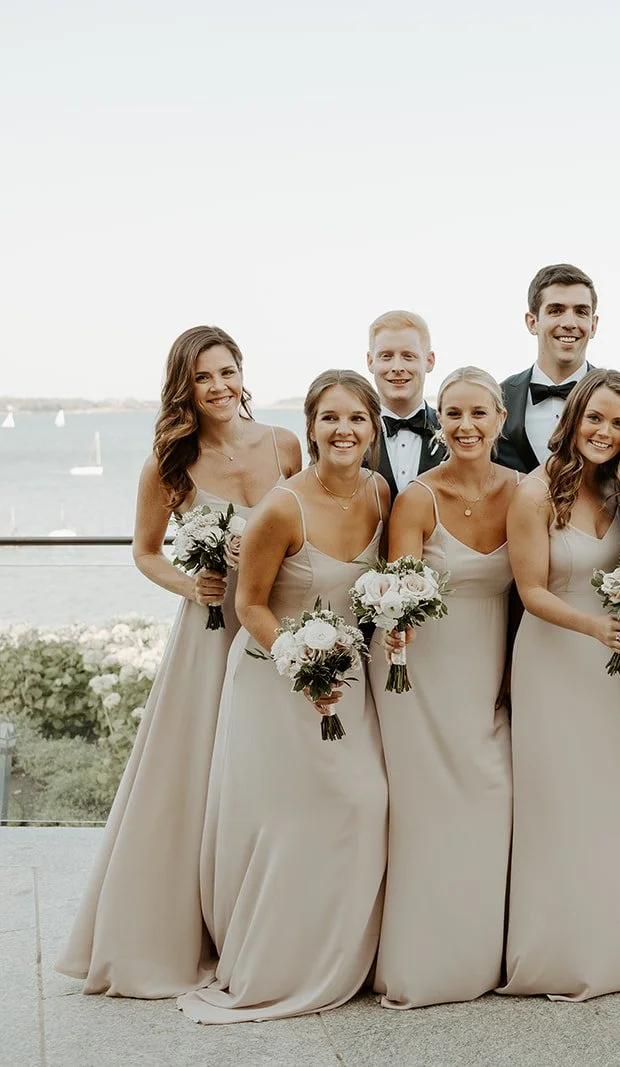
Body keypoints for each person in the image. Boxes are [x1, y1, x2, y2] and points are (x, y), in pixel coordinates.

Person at [57, 326, 299, 998]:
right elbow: (146, 551)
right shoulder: (169, 462)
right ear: (184, 389)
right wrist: (191, 585)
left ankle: (263, 919)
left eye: (227, 372)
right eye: (203, 378)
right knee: (193, 772)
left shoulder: (284, 445)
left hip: (277, 627)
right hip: (210, 632)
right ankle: (181, 929)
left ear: (242, 373)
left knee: (269, 770)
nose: (219, 387)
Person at [179, 370, 390, 1023]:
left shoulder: (382, 492)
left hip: (346, 683)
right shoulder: (281, 506)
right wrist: (304, 664)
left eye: (356, 417)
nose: (344, 429)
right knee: (292, 823)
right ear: (312, 426)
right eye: (330, 417)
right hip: (277, 678)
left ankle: (338, 950)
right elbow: (250, 605)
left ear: (373, 426)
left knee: (362, 803)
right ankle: (281, 959)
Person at [499, 369, 620, 1000]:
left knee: (617, 792)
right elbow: (531, 590)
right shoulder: (535, 493)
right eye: (597, 418)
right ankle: (557, 947)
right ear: (574, 418)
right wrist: (596, 627)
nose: (606, 432)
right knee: (559, 799)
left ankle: (619, 938)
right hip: (555, 660)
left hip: (612, 666)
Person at [370, 366, 519, 1008]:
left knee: (490, 799)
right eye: (452, 414)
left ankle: (479, 953)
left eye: (478, 414)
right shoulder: (417, 500)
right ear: (439, 422)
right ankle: (422, 960)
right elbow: (400, 595)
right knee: (427, 811)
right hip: (418, 670)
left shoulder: (524, 492)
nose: (466, 426)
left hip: (491, 663)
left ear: (500, 421)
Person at [494, 264, 601, 474]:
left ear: (593, 324)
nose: (570, 323)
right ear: (532, 322)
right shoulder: (497, 398)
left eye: (581, 312)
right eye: (556, 311)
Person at [366, 309, 444, 496]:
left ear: (429, 361)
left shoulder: (452, 430)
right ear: (370, 362)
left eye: (408, 356)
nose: (397, 368)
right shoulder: (350, 435)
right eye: (386, 356)